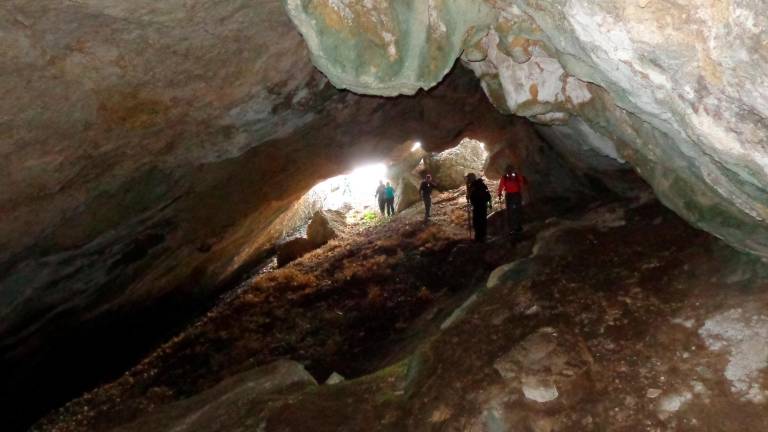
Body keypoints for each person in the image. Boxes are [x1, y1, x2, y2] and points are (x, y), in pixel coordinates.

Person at [497, 164, 526, 236]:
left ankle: (515, 227)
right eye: (508, 170)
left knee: (514, 211)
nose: (509, 171)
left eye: (510, 170)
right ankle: (515, 227)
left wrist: (500, 193)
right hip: (513, 195)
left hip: (513, 195)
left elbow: (501, 186)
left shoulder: (513, 176)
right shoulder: (509, 177)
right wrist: (499, 193)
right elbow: (522, 183)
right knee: (514, 211)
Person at [467, 173, 492, 242]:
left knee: (477, 221)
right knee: (482, 220)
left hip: (478, 205)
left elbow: (468, 196)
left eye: (469, 178)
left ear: (471, 178)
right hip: (482, 205)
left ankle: (479, 237)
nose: (468, 180)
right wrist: (490, 203)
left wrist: (467, 187)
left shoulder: (473, 185)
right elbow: (488, 194)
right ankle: (482, 236)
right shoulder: (481, 183)